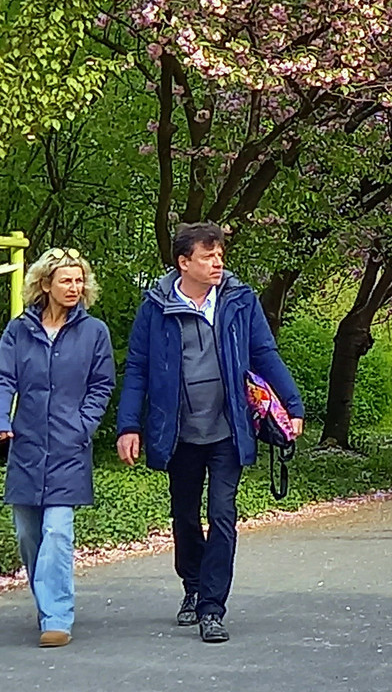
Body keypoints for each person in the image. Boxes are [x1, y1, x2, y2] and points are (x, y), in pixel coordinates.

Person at [116, 222, 304, 644]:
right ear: (184, 262)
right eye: (208, 256)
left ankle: (212, 608)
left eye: (220, 255)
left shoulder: (239, 300)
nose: (217, 263)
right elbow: (138, 368)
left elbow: (264, 353)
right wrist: (129, 425)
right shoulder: (156, 306)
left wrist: (292, 405)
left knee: (223, 515)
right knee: (184, 515)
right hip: (179, 430)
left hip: (227, 428)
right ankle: (192, 584)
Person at [0, 248, 115, 648]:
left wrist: (83, 424)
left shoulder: (94, 331)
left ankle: (57, 617)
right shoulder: (18, 330)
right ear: (45, 284)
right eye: (66, 280)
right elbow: (3, 378)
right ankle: (45, 601)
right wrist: (2, 419)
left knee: (58, 532)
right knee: (27, 535)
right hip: (27, 445)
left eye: (79, 280)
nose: (74, 287)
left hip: (69, 446)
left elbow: (102, 385)